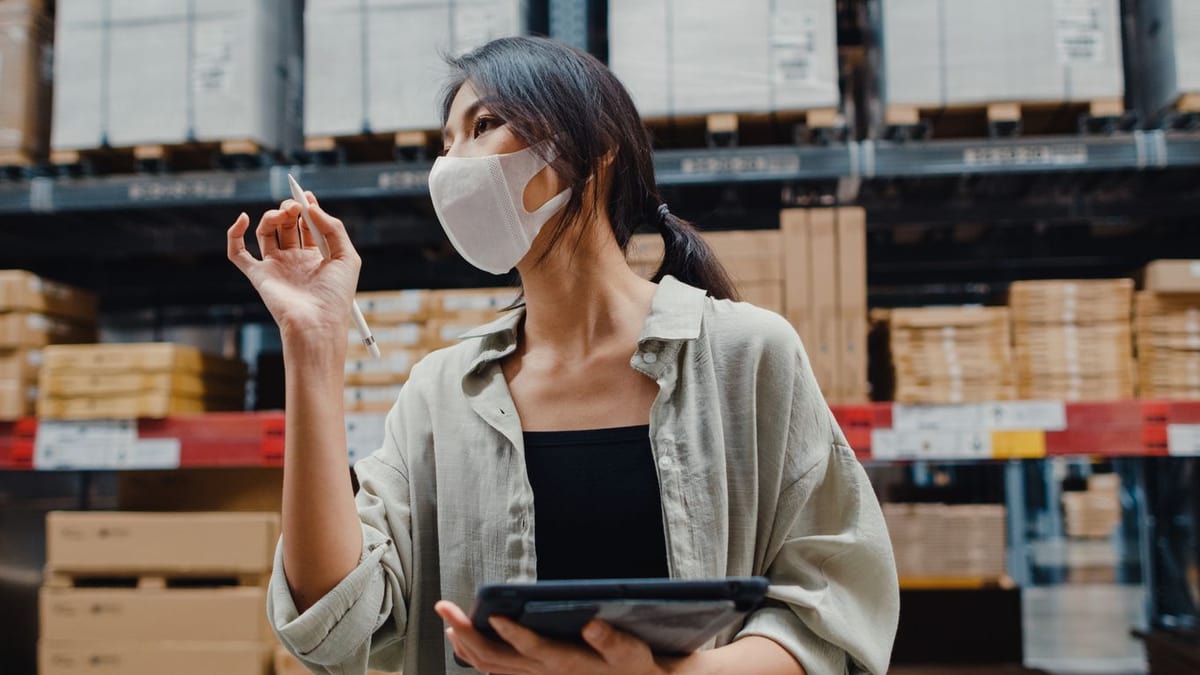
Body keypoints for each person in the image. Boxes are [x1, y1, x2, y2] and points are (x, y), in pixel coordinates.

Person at [227, 36, 898, 675]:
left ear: (594, 150)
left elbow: (830, 609)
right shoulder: (441, 393)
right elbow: (337, 624)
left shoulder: (747, 357)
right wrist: (314, 348)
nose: (453, 163)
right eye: (446, 142)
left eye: (484, 123)